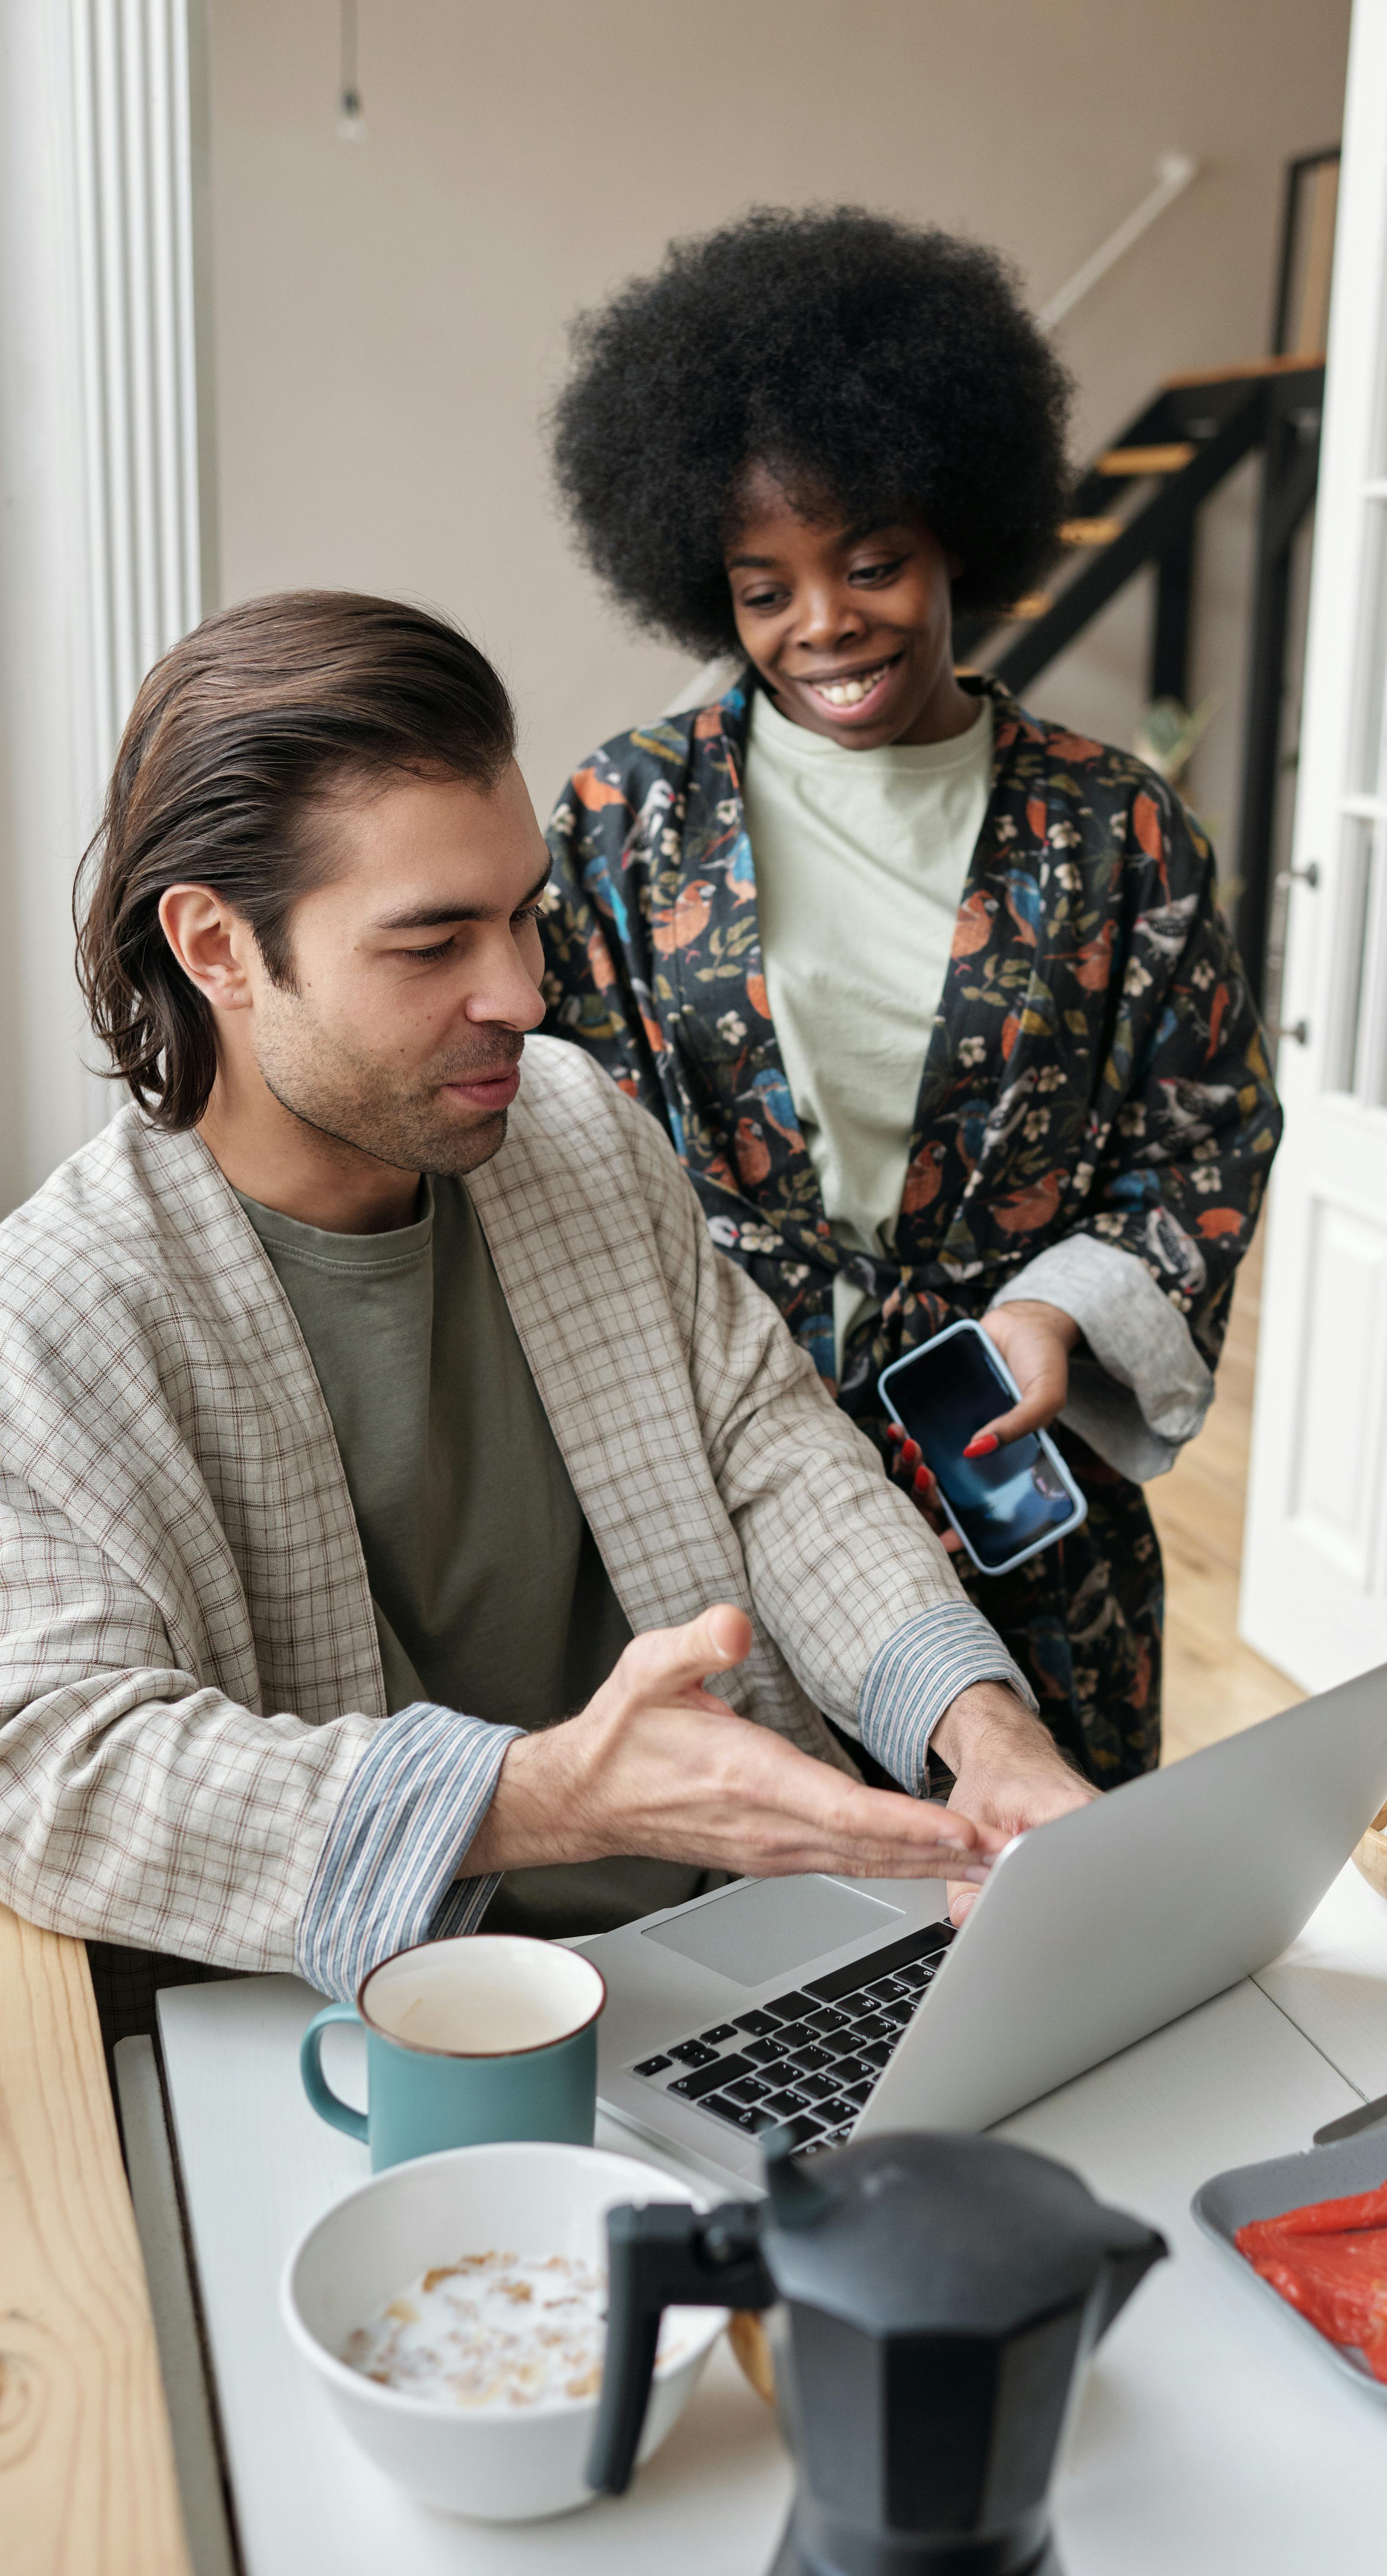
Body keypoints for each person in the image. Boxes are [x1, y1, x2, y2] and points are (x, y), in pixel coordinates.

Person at [0, 591, 1093, 2016]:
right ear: (216, 948)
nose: (519, 992)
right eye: (432, 943)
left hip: (745, 1947)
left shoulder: (572, 1125)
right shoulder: (57, 1314)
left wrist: (982, 1729)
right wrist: (549, 1797)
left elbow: (770, 1458)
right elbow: (52, 1762)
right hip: (386, 2022)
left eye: (522, 917)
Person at [539, 207, 1281, 1791]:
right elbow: (554, 1128)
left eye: (869, 562)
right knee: (761, 1936)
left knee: (1048, 1904)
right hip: (726, 1482)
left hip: (1016, 1473)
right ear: (701, 589)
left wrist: (1051, 1311)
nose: (825, 625)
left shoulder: (1112, 827)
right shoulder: (625, 820)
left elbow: (1204, 1129)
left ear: (959, 532)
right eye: (764, 589)